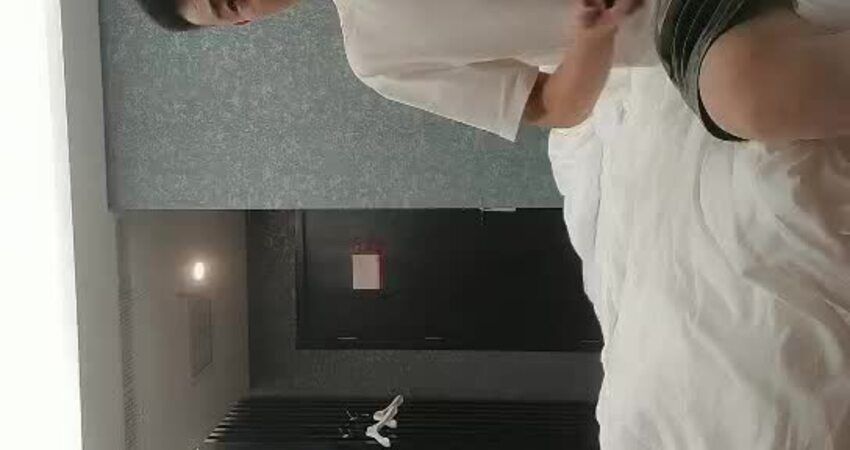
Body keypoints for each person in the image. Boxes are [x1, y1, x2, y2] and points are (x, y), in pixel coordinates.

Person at [136, 0, 850, 144]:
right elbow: (552, 107)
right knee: (746, 95)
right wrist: (593, 39)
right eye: (228, 2)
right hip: (681, 17)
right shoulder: (378, 56)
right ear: (245, 21)